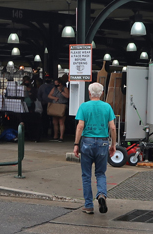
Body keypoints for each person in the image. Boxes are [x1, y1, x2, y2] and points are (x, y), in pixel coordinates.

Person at [73, 82, 117, 214]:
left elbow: (80, 126)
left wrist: (76, 144)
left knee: (86, 175)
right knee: (100, 173)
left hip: (87, 142)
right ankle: (101, 194)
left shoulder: (84, 106)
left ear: (89, 93)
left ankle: (88, 205)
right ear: (102, 93)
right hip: (103, 143)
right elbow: (112, 127)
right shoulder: (107, 107)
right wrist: (113, 144)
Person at [47, 75, 70, 141]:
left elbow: (67, 96)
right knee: (55, 122)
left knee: (61, 122)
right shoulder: (54, 88)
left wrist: (61, 91)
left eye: (57, 83)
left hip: (62, 106)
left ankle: (61, 136)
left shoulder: (65, 88)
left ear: (60, 83)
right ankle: (55, 136)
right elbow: (49, 95)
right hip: (55, 105)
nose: (56, 85)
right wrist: (54, 98)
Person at [37, 76, 54, 141]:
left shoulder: (53, 86)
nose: (47, 79)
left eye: (48, 78)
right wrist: (41, 101)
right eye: (46, 78)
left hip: (53, 105)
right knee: (45, 119)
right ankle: (45, 132)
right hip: (44, 104)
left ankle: (53, 133)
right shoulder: (42, 87)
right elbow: (39, 95)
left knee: (53, 119)